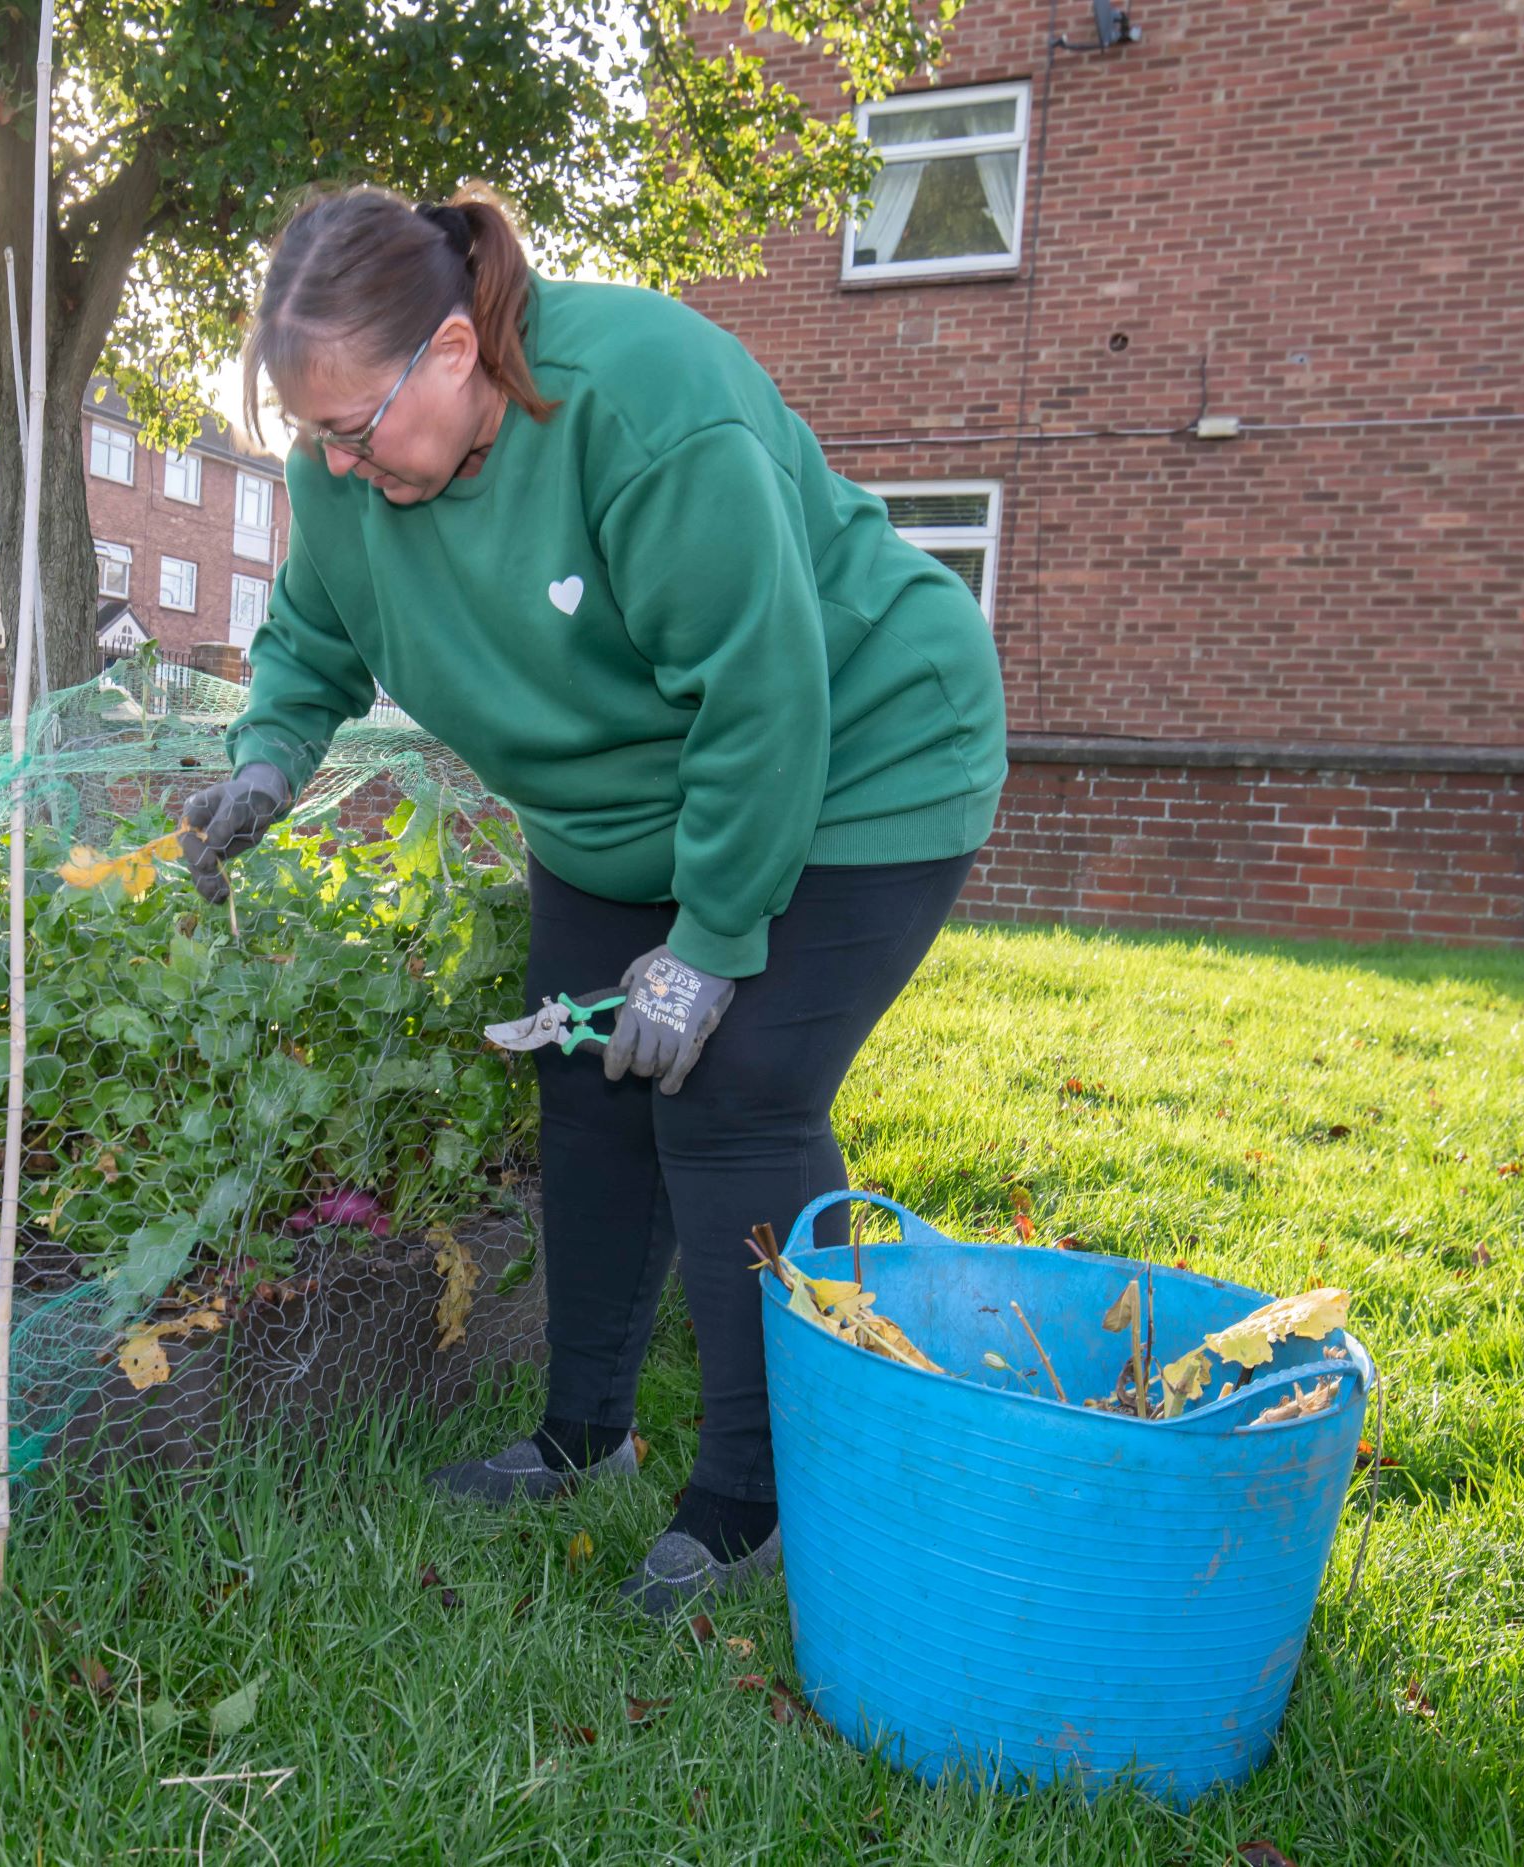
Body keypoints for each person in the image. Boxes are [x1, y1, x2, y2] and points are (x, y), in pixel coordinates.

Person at [183, 184, 1007, 1618]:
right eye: (308, 434)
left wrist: (707, 949)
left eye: (352, 427)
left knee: (734, 1088)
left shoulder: (643, 406)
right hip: (618, 810)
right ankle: (585, 1435)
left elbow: (761, 696)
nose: (331, 461)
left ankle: (761, 1499)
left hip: (860, 750)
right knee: (586, 1083)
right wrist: (267, 763)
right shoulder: (348, 470)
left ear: (452, 352)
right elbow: (316, 629)